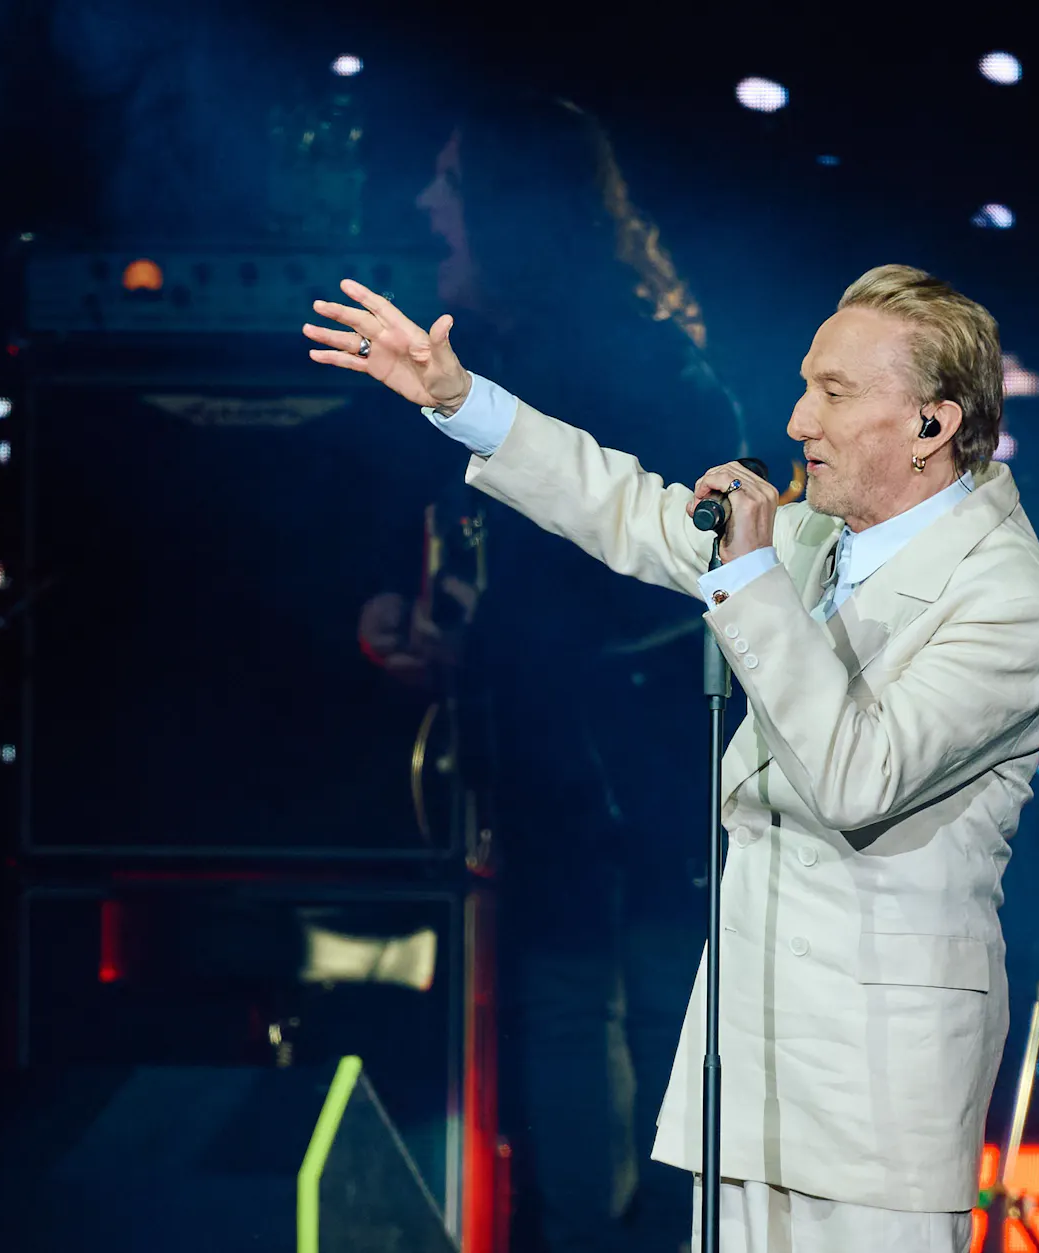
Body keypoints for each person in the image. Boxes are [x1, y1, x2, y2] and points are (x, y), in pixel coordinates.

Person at [305, 262, 1039, 1253]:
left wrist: (750, 575)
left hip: (878, 1093)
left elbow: (858, 775)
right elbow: (624, 508)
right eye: (804, 386)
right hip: (749, 1066)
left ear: (933, 423)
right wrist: (461, 400)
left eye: (834, 394)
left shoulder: (1007, 595)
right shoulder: (815, 539)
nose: (797, 421)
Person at [352, 93, 748, 1253]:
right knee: (577, 1010)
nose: (426, 203)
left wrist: (483, 638)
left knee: (622, 1008)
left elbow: (674, 568)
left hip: (632, 779)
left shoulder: (643, 370)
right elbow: (433, 529)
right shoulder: (497, 354)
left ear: (513, 207)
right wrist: (400, 606)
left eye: (450, 181)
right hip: (559, 763)